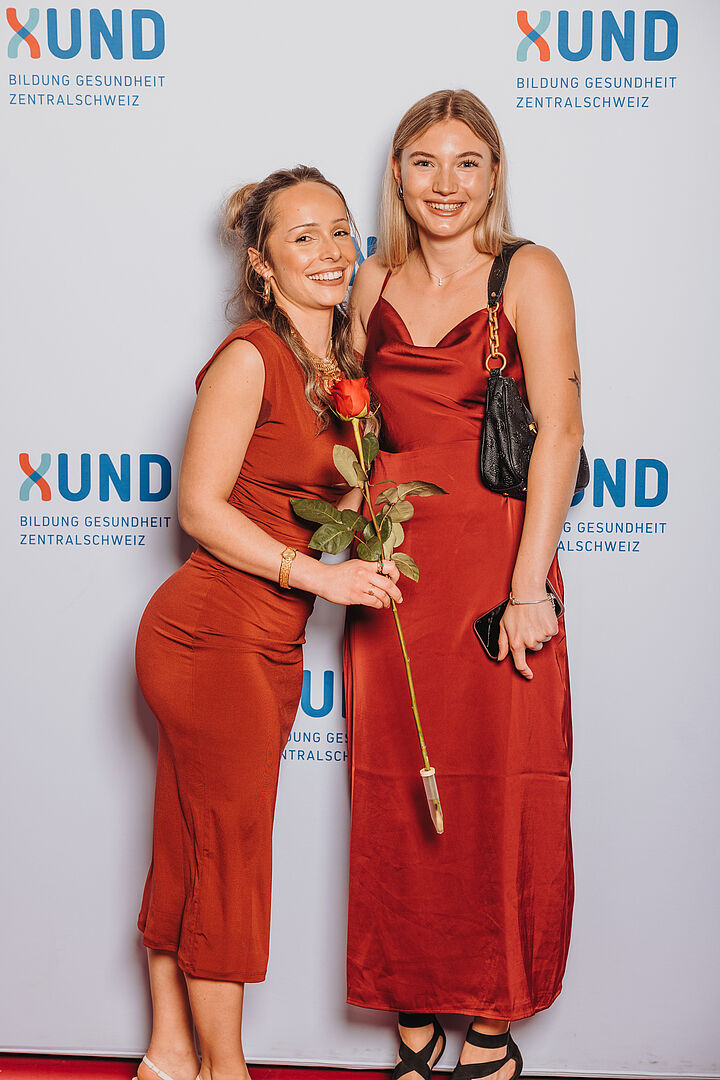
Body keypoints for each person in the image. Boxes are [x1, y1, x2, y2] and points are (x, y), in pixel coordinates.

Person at [134, 165, 402, 1080]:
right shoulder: (251, 357)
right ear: (261, 262)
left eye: (341, 231)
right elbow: (199, 508)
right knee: (231, 855)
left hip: (264, 640)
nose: (331, 251)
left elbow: (339, 504)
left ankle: (170, 1052)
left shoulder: (345, 373)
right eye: (303, 236)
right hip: (208, 633)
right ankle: (227, 1070)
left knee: (193, 841)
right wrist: (319, 576)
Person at [344, 90, 584, 1080]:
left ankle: (491, 1021)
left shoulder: (528, 272)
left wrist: (529, 589)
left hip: (496, 564)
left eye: (467, 162)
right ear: (398, 175)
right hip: (396, 572)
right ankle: (412, 1013)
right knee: (395, 790)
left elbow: (560, 434)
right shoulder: (370, 279)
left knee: (503, 785)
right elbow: (355, 426)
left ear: (494, 175)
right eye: (425, 162)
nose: (445, 183)